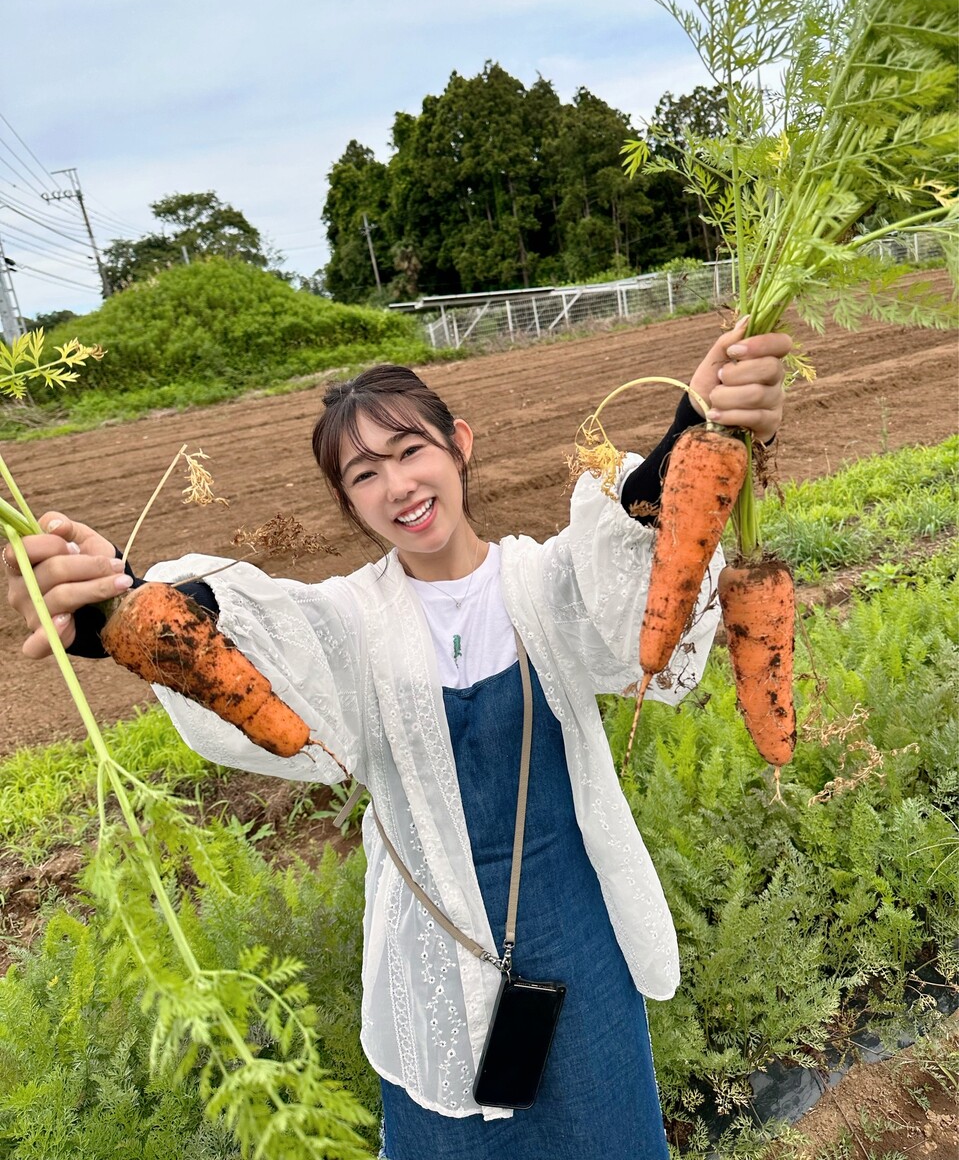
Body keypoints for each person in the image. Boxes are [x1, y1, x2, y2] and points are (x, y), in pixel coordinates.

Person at [5, 318, 790, 1160]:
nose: (398, 485)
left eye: (410, 451)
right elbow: (253, 636)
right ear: (349, 502)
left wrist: (690, 434)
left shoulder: (542, 578)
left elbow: (628, 573)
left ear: (457, 445)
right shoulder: (349, 619)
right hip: (432, 950)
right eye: (364, 474)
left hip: (579, 935)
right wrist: (123, 605)